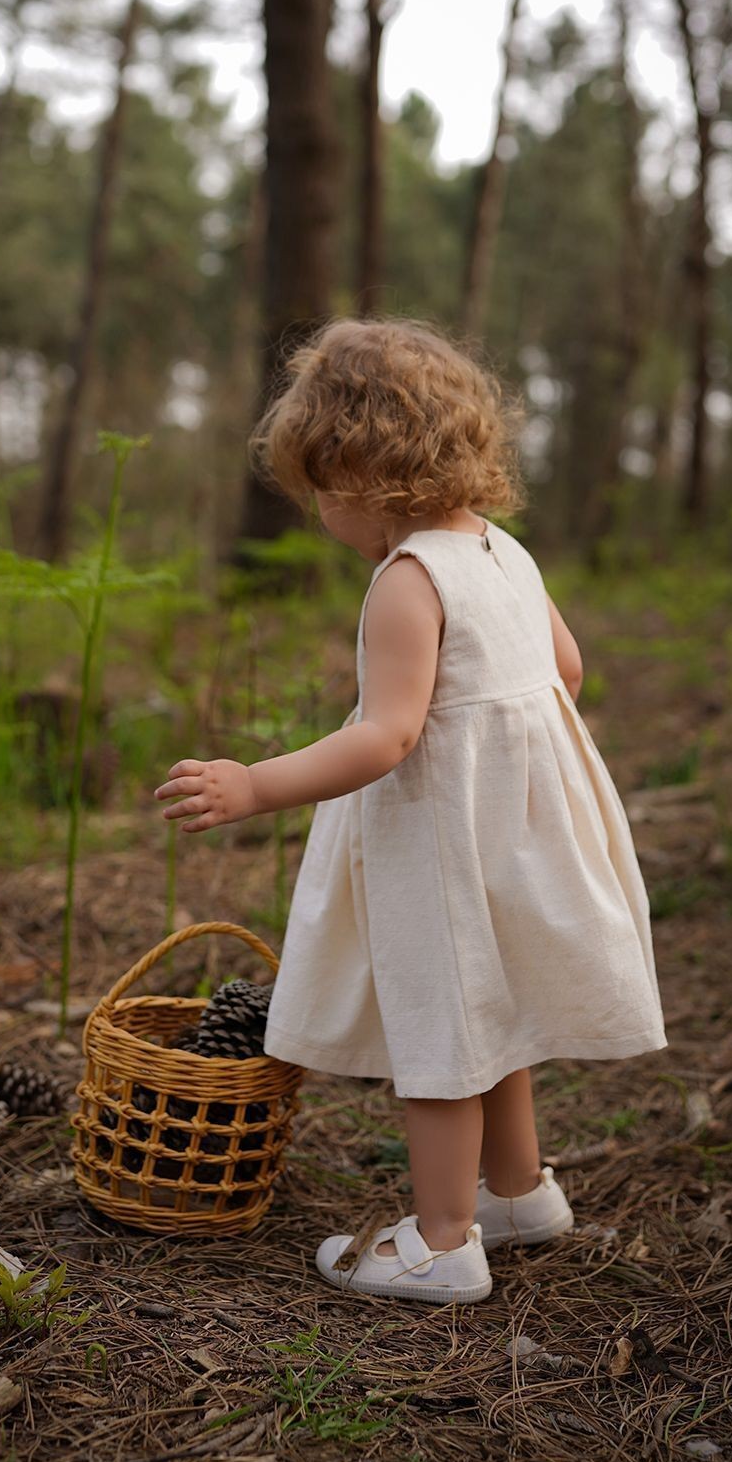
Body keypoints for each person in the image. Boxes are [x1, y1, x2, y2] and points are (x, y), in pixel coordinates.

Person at [155, 317, 666, 1304]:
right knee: (493, 1014)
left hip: (439, 841)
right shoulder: (501, 553)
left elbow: (387, 737)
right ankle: (516, 1192)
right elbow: (566, 670)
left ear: (358, 469)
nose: (317, 515)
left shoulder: (406, 579)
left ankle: (441, 1241)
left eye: (317, 491)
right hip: (507, 834)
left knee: (437, 1037)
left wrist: (253, 783)